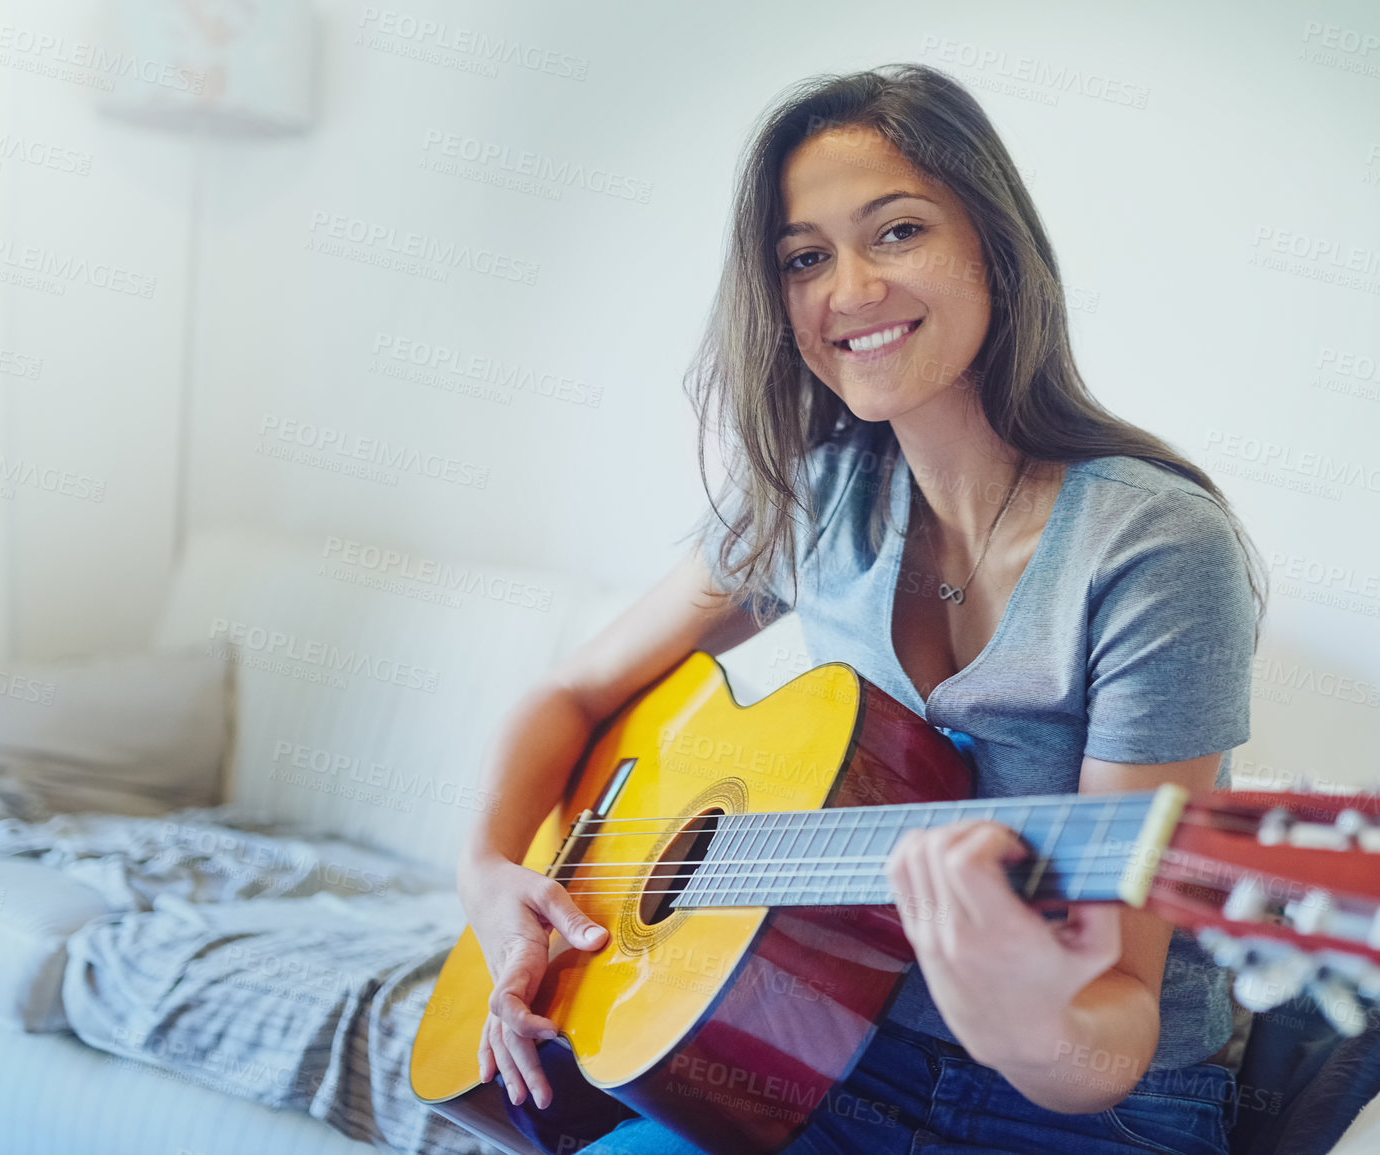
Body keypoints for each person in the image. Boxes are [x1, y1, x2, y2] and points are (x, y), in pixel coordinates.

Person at [456, 63, 1267, 1155]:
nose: (849, 290)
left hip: (1093, 1109)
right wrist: (491, 874)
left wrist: (1014, 1014)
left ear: (994, 244)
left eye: (895, 233)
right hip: (825, 1059)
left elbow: (1115, 1025)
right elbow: (571, 691)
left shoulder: (1155, 548)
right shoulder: (818, 497)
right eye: (803, 258)